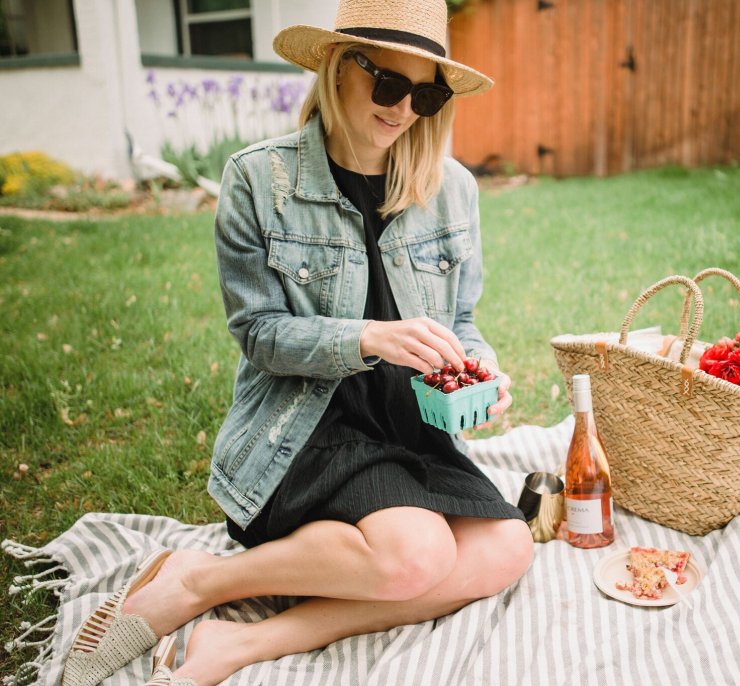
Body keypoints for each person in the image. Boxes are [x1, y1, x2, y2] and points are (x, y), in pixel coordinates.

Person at [59, 2, 534, 685]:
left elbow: (461, 320)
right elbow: (258, 334)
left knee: (508, 547)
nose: (403, 110)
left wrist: (479, 365)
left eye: (425, 94)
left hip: (410, 424)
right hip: (306, 423)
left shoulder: (451, 188)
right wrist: (367, 336)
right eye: (389, 85)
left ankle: (239, 640)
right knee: (418, 556)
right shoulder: (260, 179)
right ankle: (198, 583)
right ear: (341, 69)